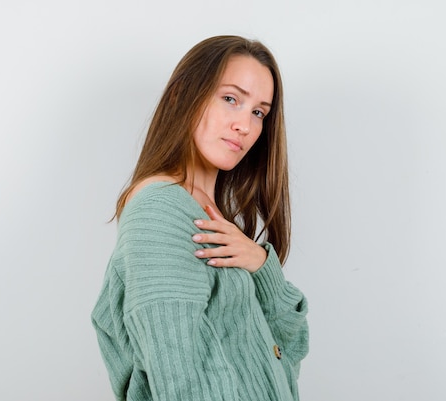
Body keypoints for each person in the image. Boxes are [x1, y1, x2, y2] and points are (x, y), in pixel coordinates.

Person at [91, 35, 309, 401]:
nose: (246, 125)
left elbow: (289, 349)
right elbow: (181, 378)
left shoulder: (213, 218)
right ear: (182, 97)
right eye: (230, 99)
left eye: (259, 112)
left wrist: (261, 265)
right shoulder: (160, 211)